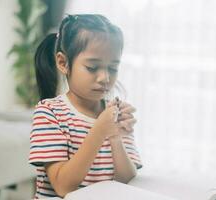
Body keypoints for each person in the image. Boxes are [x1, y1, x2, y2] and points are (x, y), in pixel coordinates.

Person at [29, 14, 142, 199]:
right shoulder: (49, 113)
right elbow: (63, 187)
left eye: (112, 68)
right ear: (63, 63)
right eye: (92, 67)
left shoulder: (115, 114)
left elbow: (126, 181)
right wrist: (99, 130)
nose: (105, 78)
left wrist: (115, 138)